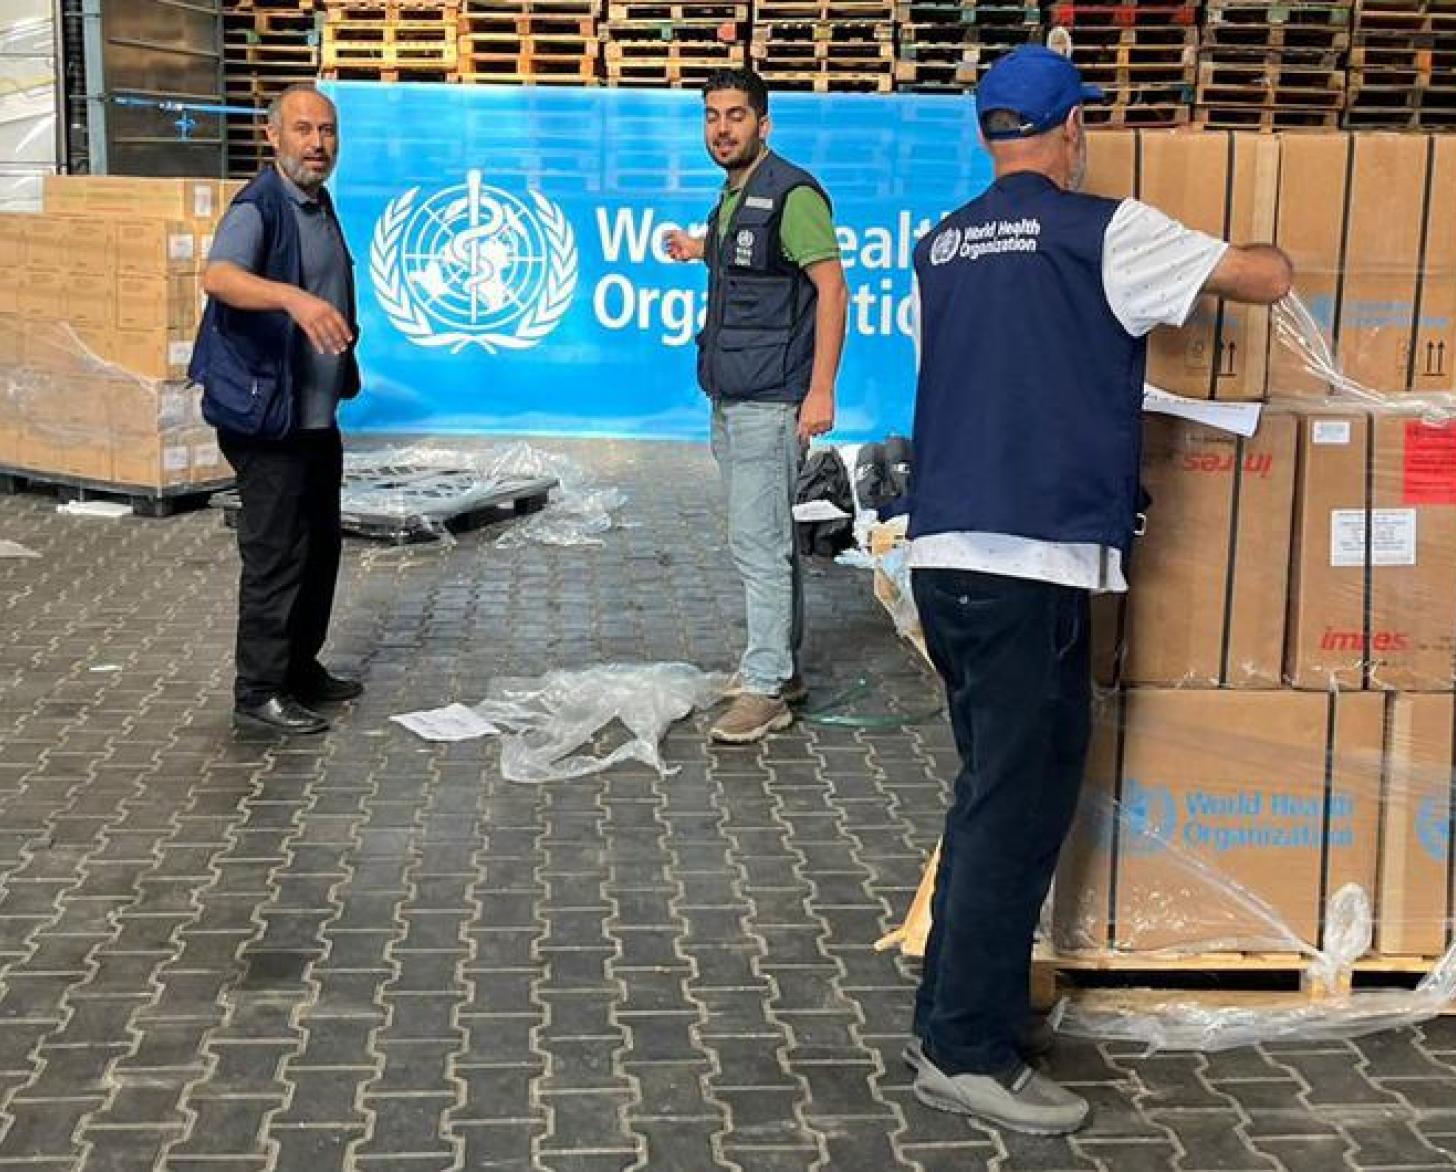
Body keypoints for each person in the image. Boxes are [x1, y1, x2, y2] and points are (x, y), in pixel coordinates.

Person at [905, 46, 1293, 1134]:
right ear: (1071, 132)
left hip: (947, 558)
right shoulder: (1102, 229)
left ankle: (950, 1007)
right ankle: (962, 1049)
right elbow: (1260, 277)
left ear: (989, 135)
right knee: (1013, 810)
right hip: (1031, 566)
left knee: (989, 789)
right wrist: (1270, 230)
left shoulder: (941, 248)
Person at [664, 67, 849, 745]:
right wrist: (695, 248)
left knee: (757, 544)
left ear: (763, 123)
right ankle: (780, 668)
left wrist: (821, 390)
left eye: (736, 115)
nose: (722, 128)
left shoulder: (792, 193)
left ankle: (767, 689)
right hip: (732, 392)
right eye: (712, 116)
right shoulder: (735, 196)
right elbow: (745, 255)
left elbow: (831, 290)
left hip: (771, 400)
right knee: (769, 541)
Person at [190, 83, 364, 735]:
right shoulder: (259, 205)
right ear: (272, 136)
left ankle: (298, 668)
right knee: (277, 554)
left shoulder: (317, 202)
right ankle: (257, 690)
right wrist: (294, 299)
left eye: (327, 131)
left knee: (318, 548)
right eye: (303, 130)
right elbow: (219, 277)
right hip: (267, 419)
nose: (317, 143)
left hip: (314, 416)